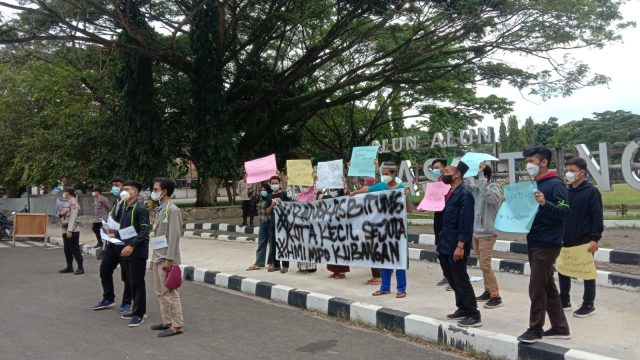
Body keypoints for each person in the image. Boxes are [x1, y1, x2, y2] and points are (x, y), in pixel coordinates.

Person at [517, 146, 571, 343]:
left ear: (543, 162)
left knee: (537, 286)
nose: (528, 165)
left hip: (548, 243)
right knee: (548, 285)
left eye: (532, 161)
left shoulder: (555, 184)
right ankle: (560, 327)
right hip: (534, 239)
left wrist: (544, 203)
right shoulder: (533, 184)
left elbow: (564, 212)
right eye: (528, 161)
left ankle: (535, 329)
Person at [350, 162, 413, 298]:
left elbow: (410, 210)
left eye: (386, 173)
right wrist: (354, 193)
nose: (384, 176)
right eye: (383, 173)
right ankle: (385, 288)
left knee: (399, 260)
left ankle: (401, 289)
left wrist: (406, 197)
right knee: (384, 259)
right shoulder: (382, 186)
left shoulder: (402, 189)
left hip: (398, 231)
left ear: (394, 174)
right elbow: (367, 190)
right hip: (383, 231)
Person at [438, 161, 481, 327]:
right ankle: (462, 307)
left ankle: (473, 313)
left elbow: (466, 222)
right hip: (445, 241)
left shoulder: (465, 194)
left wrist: (461, 245)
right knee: (450, 276)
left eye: (447, 171)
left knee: (460, 278)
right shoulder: (450, 192)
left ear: (457, 174)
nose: (443, 173)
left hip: (457, 243)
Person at [559, 157, 603, 318]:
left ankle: (588, 304)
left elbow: (597, 216)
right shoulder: (566, 191)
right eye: (567, 170)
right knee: (563, 270)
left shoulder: (592, 192)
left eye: (572, 171)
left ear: (582, 173)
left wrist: (595, 238)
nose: (568, 174)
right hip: (565, 237)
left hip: (585, 240)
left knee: (587, 272)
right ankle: (564, 300)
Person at [150, 177, 185, 337]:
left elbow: (174, 236)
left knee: (170, 292)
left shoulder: (172, 210)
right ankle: (167, 321)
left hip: (166, 259)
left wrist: (169, 260)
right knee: (160, 292)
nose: (153, 192)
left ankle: (177, 325)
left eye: (156, 189)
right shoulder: (160, 210)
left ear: (164, 191)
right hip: (157, 256)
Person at [93, 176, 133, 315]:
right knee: (105, 270)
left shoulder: (134, 202)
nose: (114, 188)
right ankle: (108, 298)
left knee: (126, 275)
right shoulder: (117, 202)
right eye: (113, 185)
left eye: (117, 185)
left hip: (125, 244)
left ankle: (127, 301)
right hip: (112, 243)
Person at [115, 180, 151, 327]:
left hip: (136, 252)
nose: (123, 191)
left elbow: (144, 230)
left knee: (137, 282)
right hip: (125, 250)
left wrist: (132, 245)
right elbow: (125, 227)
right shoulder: (124, 207)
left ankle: (139, 314)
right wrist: (114, 232)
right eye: (123, 188)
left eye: (126, 189)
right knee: (130, 281)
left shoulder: (140, 208)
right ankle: (135, 309)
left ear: (134, 193)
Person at [468, 164, 503, 309]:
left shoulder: (495, 189)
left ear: (485, 177)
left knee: (485, 265)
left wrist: (482, 179)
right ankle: (488, 291)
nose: (476, 179)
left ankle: (496, 296)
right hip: (476, 232)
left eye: (479, 176)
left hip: (487, 233)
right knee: (483, 265)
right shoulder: (476, 190)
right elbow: (465, 188)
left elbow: (491, 198)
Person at [322, 185, 350, 279]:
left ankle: (341, 272)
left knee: (340, 249)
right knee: (331, 249)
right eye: (331, 189)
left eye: (334, 189)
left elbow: (348, 196)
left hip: (341, 227)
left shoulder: (343, 197)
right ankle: (334, 271)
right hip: (331, 227)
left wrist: (344, 183)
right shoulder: (328, 198)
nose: (333, 190)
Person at [265, 176, 291, 273]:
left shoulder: (283, 194)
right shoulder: (269, 196)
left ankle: (285, 265)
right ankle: (276, 264)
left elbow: (290, 206)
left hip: (283, 223)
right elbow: (267, 211)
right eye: (273, 183)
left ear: (279, 184)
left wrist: (282, 203)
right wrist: (272, 206)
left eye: (276, 183)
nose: (274, 185)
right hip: (273, 223)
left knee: (284, 244)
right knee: (274, 244)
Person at [430, 158, 450, 288]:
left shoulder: (450, 184)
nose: (435, 170)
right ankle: (446, 275)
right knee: (439, 249)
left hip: (448, 220)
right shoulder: (434, 185)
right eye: (433, 168)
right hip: (438, 219)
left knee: (449, 250)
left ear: (444, 168)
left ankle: (453, 277)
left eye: (437, 167)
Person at [58, 187, 84, 275]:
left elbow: (73, 217)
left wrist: (70, 230)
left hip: (73, 230)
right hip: (65, 229)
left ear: (68, 193)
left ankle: (80, 268)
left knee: (75, 249)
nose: (63, 193)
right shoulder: (67, 202)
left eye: (64, 192)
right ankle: (69, 267)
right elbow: (61, 213)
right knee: (67, 249)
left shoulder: (74, 203)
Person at [246, 183, 272, 271]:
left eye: (264, 190)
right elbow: (250, 195)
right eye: (261, 190)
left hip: (270, 223)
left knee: (272, 243)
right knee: (261, 243)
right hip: (262, 223)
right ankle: (259, 263)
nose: (263, 191)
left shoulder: (271, 198)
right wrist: (251, 184)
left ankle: (271, 263)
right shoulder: (260, 198)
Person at [295, 182, 318, 273]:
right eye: (303, 185)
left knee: (310, 244)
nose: (305, 187)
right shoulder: (299, 196)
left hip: (310, 223)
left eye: (307, 185)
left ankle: (311, 266)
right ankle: (302, 266)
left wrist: (315, 181)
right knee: (301, 244)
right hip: (300, 223)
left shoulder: (313, 194)